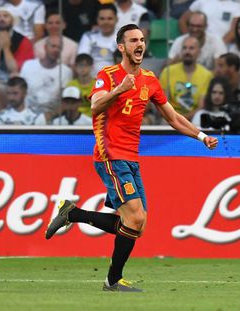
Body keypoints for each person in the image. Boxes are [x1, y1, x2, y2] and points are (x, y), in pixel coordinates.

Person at [45, 24, 218, 292]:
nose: (140, 44)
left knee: (137, 224)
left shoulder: (149, 79)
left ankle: (73, 213)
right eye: (133, 40)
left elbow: (172, 117)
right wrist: (119, 90)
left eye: (142, 40)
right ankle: (112, 281)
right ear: (121, 47)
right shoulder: (109, 75)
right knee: (134, 219)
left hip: (132, 158)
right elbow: (95, 106)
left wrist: (200, 136)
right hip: (109, 154)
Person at [160, 36, 213, 121]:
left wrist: (183, 120)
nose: (187, 51)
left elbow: (201, 107)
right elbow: (163, 103)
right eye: (184, 48)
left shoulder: (207, 75)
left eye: (191, 48)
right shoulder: (168, 72)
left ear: (199, 52)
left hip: (194, 119)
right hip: (171, 118)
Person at [20, 35, 72, 114]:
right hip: (28, 113)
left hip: (52, 115)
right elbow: (21, 90)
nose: (56, 50)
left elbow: (64, 101)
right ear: (45, 47)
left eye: (59, 47)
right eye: (53, 46)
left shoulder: (66, 71)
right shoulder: (28, 65)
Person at [77, 3, 119, 76]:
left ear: (116, 19)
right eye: (102, 19)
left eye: (110, 18)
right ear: (97, 20)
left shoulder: (124, 37)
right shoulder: (88, 37)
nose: (106, 22)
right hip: (91, 82)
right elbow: (82, 62)